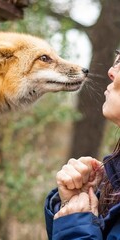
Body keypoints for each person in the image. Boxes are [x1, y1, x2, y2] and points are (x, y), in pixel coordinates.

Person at [45, 49, 120, 239]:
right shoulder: (111, 178)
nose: (111, 71)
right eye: (116, 58)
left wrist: (74, 225)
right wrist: (79, 201)